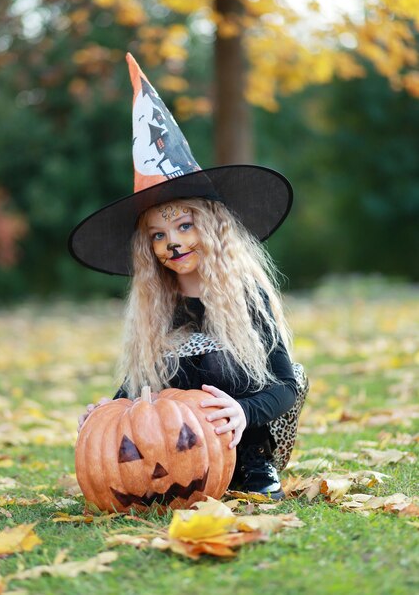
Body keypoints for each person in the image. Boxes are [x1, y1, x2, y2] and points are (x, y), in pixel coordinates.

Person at [71, 53, 307, 500]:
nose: (173, 243)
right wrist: (110, 410)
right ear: (149, 250)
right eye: (159, 235)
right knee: (164, 370)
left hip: (242, 432)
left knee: (244, 362)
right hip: (184, 449)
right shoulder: (157, 303)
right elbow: (140, 386)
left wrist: (242, 411)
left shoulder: (244, 295)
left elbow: (284, 386)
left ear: (213, 229)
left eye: (184, 226)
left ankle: (254, 466)